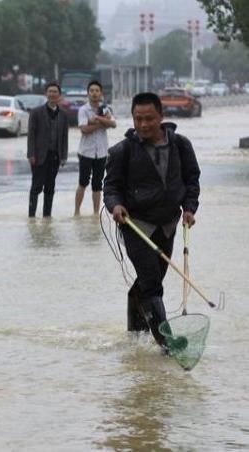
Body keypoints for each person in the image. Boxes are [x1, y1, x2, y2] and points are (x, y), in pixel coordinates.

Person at [103, 92, 200, 351]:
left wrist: (190, 208)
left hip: (167, 226)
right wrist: (116, 205)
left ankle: (135, 334)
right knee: (152, 283)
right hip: (136, 226)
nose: (143, 125)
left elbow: (192, 180)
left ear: (161, 117)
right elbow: (110, 188)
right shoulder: (122, 151)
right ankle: (167, 344)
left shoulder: (181, 145)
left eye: (149, 118)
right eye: (138, 119)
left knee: (149, 282)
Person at [27, 81, 69, 218]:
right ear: (46, 94)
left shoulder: (63, 114)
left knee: (50, 188)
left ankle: (47, 217)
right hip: (39, 156)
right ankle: (31, 216)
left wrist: (64, 156)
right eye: (50, 91)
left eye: (55, 92)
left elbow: (64, 137)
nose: (52, 94)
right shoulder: (36, 112)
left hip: (55, 156)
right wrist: (31, 154)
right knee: (36, 187)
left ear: (59, 95)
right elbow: (31, 135)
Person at [74, 80, 116, 216]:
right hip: (86, 152)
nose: (94, 93)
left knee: (98, 185)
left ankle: (96, 213)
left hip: (102, 152)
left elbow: (113, 124)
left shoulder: (105, 108)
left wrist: (97, 119)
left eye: (97, 91)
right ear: (88, 93)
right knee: (83, 182)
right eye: (91, 91)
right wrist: (103, 123)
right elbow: (84, 129)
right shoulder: (83, 110)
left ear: (101, 93)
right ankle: (77, 211)